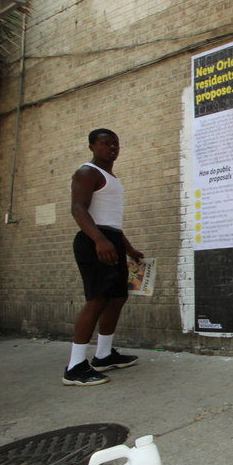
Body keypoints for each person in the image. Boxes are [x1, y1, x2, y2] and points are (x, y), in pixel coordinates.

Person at [63, 129, 144, 386]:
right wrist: (98, 239)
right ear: (92, 146)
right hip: (93, 241)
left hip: (110, 239)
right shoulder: (88, 172)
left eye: (115, 143)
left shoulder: (111, 177)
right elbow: (78, 209)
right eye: (106, 143)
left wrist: (129, 249)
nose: (112, 147)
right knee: (97, 299)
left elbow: (111, 222)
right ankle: (75, 367)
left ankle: (104, 355)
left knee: (117, 298)